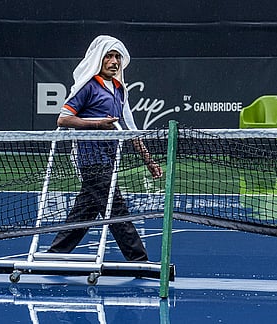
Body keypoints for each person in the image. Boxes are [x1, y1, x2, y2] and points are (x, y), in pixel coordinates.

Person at [47, 35, 163, 262]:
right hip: (91, 159)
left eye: (117, 56)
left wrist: (148, 161)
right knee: (117, 209)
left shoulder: (119, 90)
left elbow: (128, 129)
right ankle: (139, 260)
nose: (114, 61)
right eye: (109, 56)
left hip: (109, 160)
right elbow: (63, 119)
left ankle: (55, 256)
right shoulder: (89, 87)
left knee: (84, 212)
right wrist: (96, 124)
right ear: (99, 60)